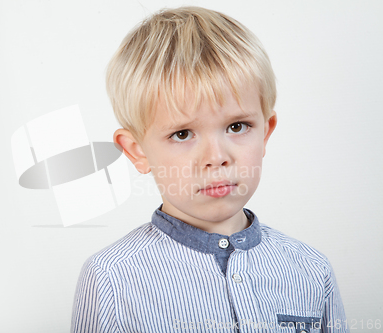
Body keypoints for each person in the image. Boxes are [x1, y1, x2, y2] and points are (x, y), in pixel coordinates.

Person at [71, 6, 348, 332]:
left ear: (265, 132)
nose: (216, 157)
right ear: (138, 152)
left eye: (237, 126)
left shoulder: (312, 270)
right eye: (182, 134)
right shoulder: (111, 278)